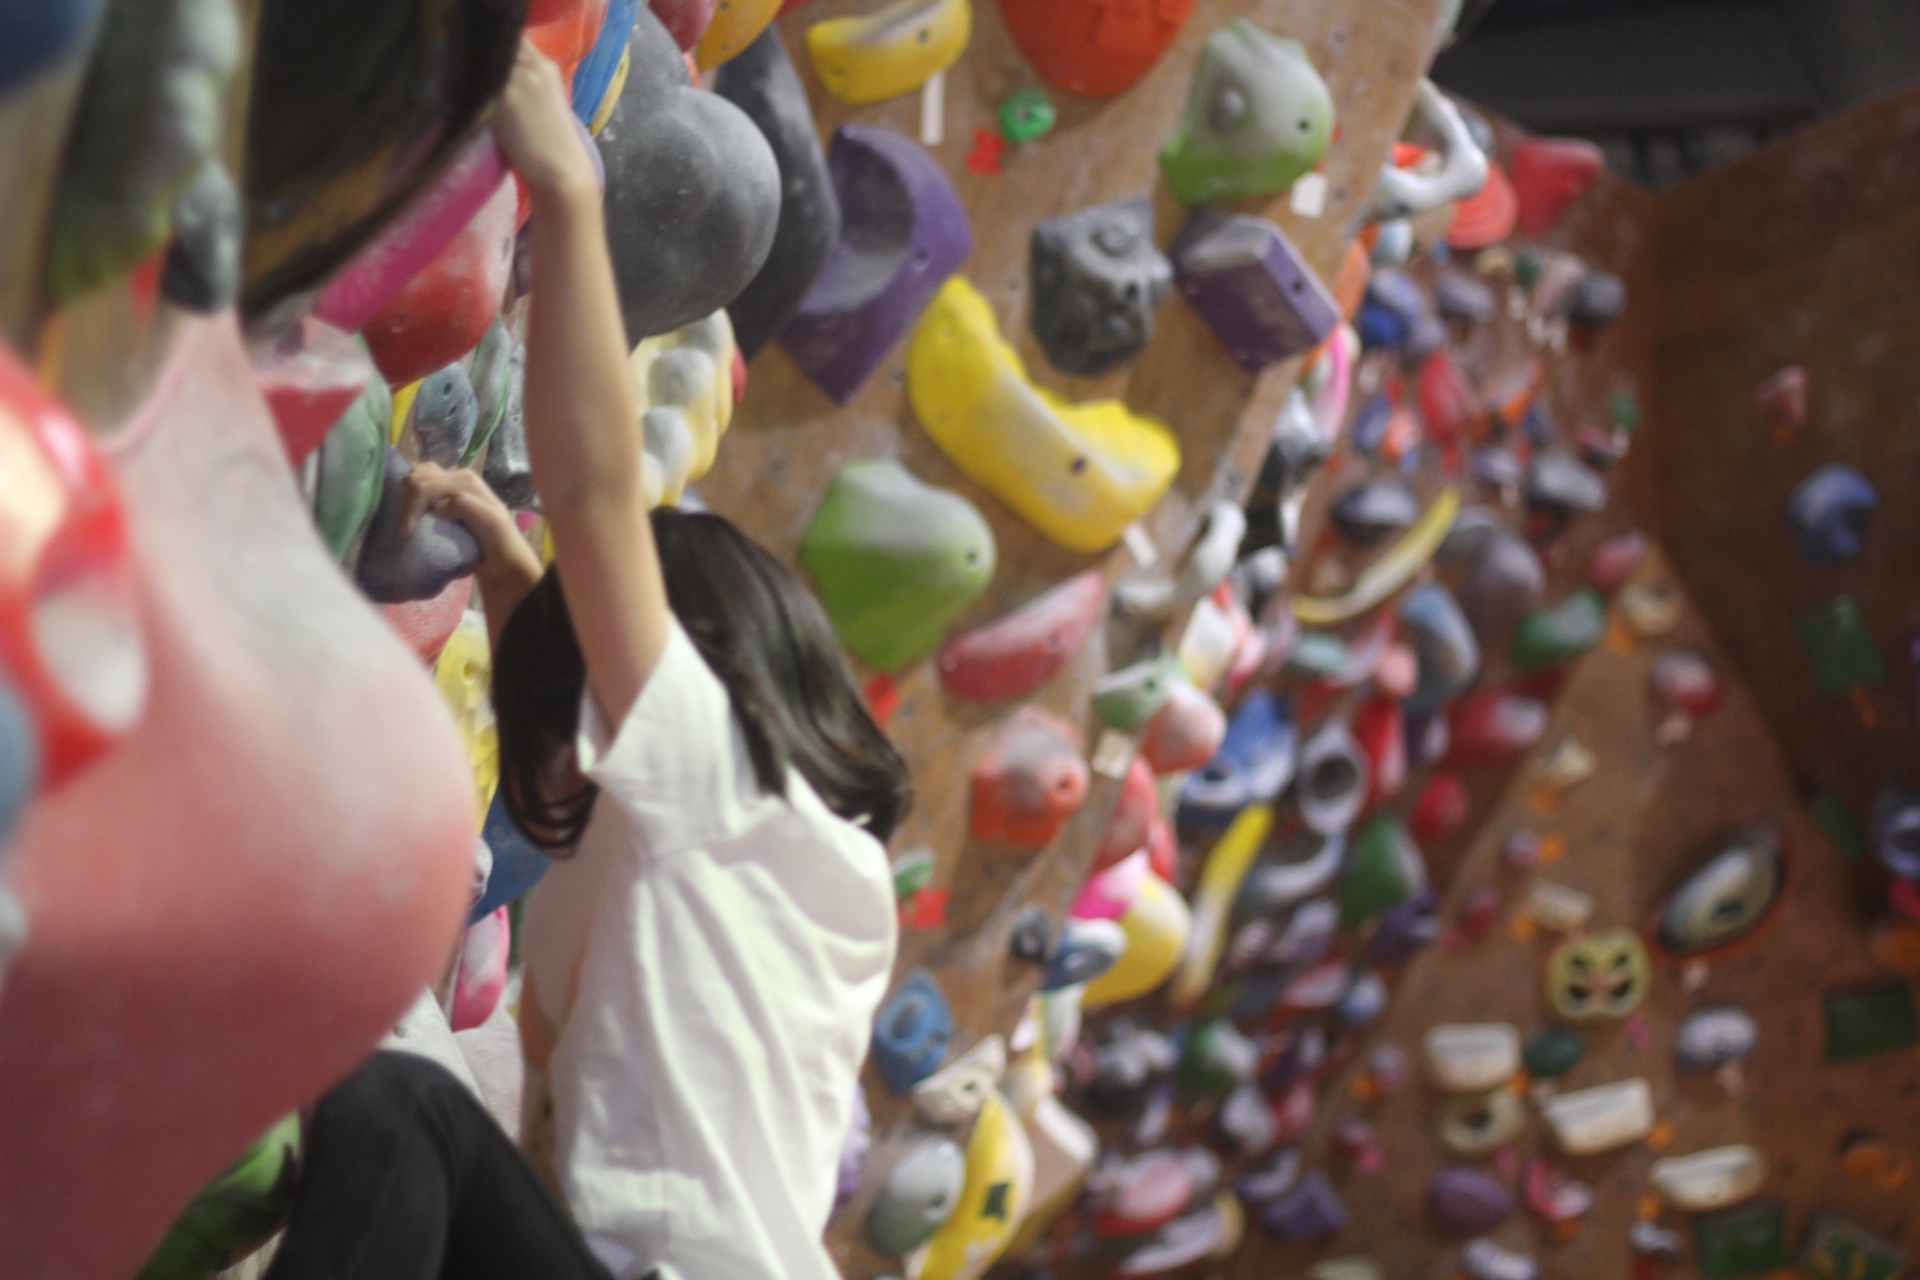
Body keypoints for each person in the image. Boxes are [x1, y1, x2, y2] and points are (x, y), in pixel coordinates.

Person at [259, 32, 909, 1280]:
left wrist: (565, 190)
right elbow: (573, 728)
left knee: (401, 1107)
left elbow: (600, 492)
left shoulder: (731, 792)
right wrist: (514, 575)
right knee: (407, 1105)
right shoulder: (750, 863)